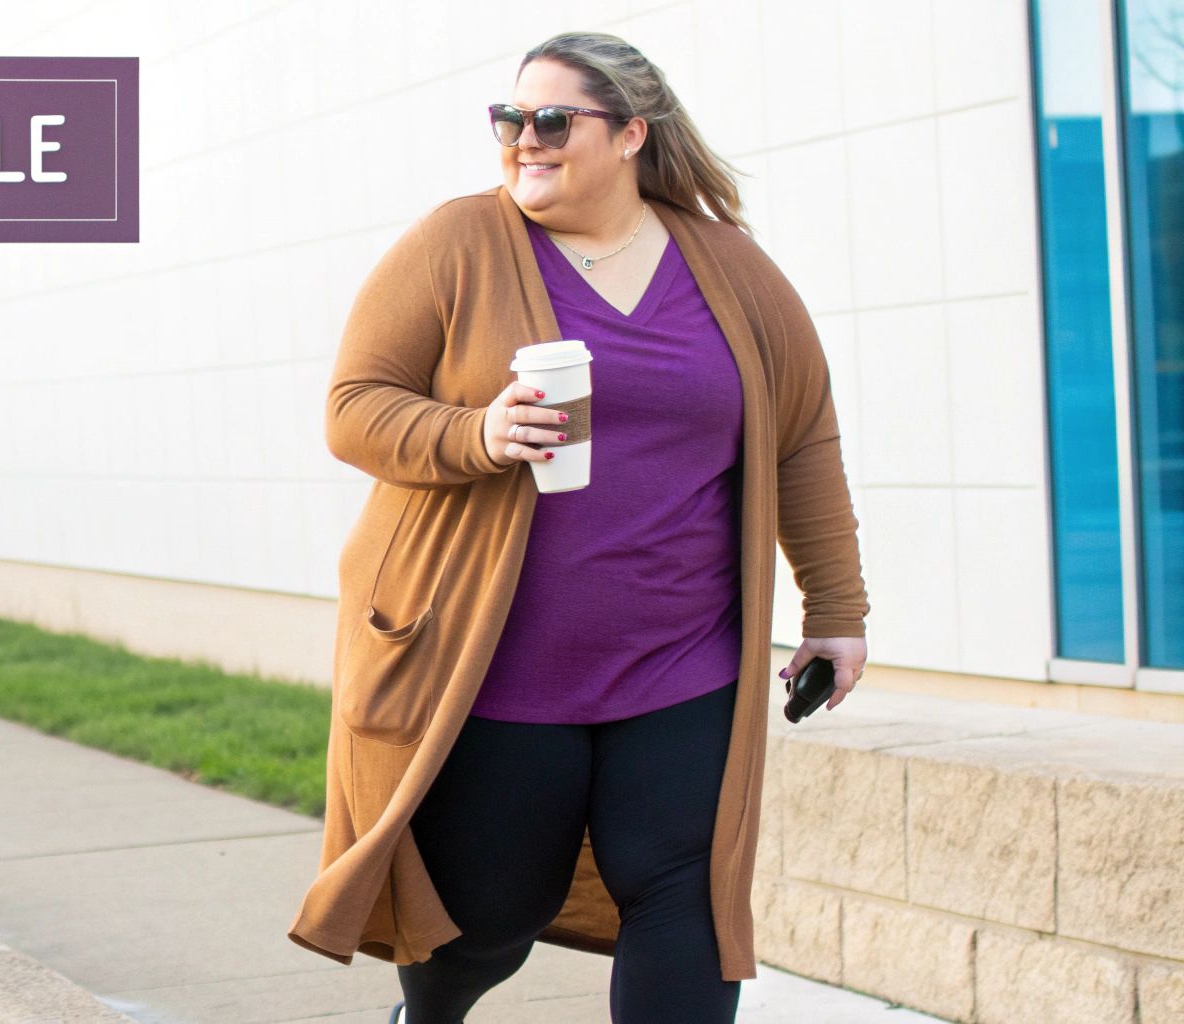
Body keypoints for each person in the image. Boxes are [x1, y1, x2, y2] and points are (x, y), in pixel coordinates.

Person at [296, 30, 871, 1024]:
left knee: (682, 894)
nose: (524, 139)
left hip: (683, 660)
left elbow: (801, 442)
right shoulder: (457, 245)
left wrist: (835, 609)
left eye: (552, 120)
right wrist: (476, 431)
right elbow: (353, 406)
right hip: (500, 665)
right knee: (490, 908)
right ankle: (424, 1015)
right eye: (509, 120)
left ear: (631, 134)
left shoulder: (729, 270)